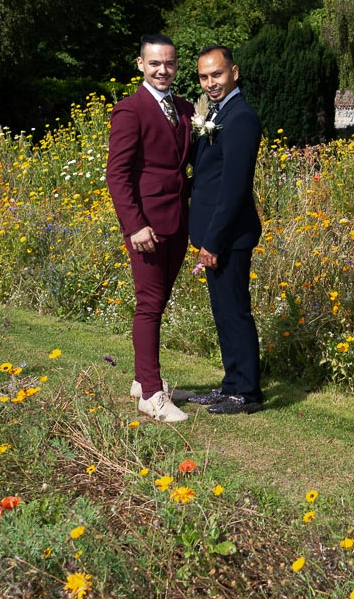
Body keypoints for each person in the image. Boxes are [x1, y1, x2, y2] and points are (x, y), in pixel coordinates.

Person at [105, 34, 193, 423]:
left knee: (159, 301)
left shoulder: (187, 109)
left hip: (178, 220)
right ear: (140, 65)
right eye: (155, 63)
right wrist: (134, 225)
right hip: (146, 227)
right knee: (150, 303)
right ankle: (152, 394)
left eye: (169, 63)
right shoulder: (130, 110)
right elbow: (117, 175)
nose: (163, 70)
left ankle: (142, 379)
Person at [187, 45, 264, 414]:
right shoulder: (217, 113)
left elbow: (234, 188)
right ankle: (230, 383)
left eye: (216, 74)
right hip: (215, 234)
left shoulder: (241, 117)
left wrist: (213, 241)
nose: (210, 82)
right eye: (204, 76)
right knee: (223, 312)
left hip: (230, 236)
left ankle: (247, 392)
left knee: (235, 311)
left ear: (234, 72)